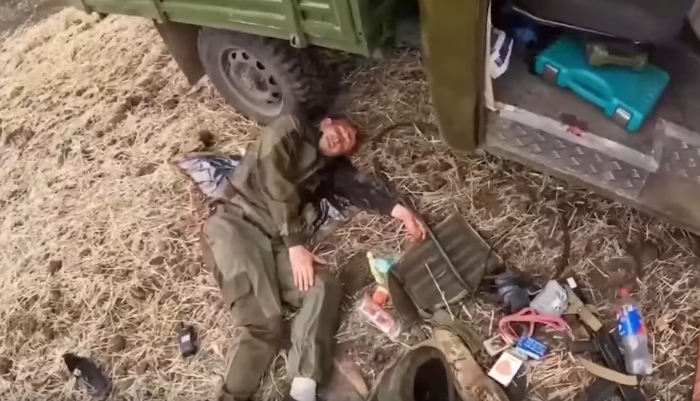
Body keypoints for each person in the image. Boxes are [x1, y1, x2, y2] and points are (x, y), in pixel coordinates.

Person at [199, 114, 426, 401]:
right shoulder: (290, 128)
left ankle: (303, 388)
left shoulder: (327, 170)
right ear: (326, 122)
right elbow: (274, 180)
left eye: (347, 143)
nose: (341, 139)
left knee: (322, 286)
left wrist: (402, 212)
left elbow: (359, 187)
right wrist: (295, 245)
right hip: (236, 227)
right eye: (342, 130)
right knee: (264, 325)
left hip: (274, 243)